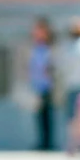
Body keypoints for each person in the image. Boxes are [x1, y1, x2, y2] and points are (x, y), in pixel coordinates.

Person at [29, 17, 57, 151]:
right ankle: (41, 141)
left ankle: (47, 142)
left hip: (48, 85)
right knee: (39, 115)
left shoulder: (50, 47)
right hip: (37, 85)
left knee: (47, 115)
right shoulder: (34, 47)